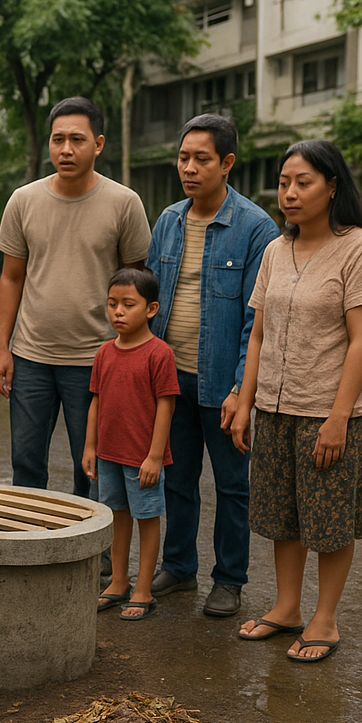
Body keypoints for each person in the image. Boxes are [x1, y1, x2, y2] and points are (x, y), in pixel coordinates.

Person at [231, 140, 362, 662]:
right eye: (284, 182)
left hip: (328, 411)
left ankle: (326, 619)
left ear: (332, 186)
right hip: (274, 406)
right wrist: (245, 402)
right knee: (282, 515)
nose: (289, 193)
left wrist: (338, 419)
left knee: (330, 522)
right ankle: (287, 608)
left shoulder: (360, 247)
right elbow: (257, 336)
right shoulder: (275, 249)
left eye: (303, 182)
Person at [146, 114, 279, 618]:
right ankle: (179, 569)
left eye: (201, 159)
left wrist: (242, 393)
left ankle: (229, 580)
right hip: (169, 378)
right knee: (176, 480)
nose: (189, 168)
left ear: (226, 163)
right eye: (183, 158)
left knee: (231, 485)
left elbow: (256, 320)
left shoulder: (255, 227)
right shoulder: (169, 220)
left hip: (222, 382)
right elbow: (154, 301)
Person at [0, 96, 152, 500]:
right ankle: (27, 547)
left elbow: (137, 282)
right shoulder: (23, 201)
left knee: (95, 466)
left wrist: (133, 356)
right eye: (57, 139)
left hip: (97, 359)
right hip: (31, 358)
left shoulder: (124, 203)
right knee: (26, 463)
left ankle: (91, 554)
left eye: (77, 139)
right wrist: (2, 349)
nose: (66, 149)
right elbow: (11, 278)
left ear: (98, 144)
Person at [83, 268, 179, 620]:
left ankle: (142, 589)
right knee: (117, 517)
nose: (118, 312)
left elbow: (166, 406)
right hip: (108, 455)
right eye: (112, 304)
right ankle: (118, 581)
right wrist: (90, 447)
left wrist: (155, 456)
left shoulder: (159, 354)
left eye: (128, 304)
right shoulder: (104, 353)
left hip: (143, 458)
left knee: (147, 518)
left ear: (151, 309)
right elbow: (96, 401)